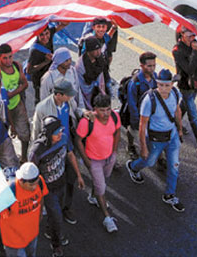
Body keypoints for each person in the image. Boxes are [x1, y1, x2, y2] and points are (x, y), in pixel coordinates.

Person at [125, 68, 186, 212]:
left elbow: (177, 111)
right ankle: (133, 167)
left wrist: (180, 129)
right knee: (149, 161)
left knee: (174, 165)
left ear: (172, 84)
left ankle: (170, 194)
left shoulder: (176, 94)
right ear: (157, 84)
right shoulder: (149, 100)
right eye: (161, 85)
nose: (164, 89)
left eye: (167, 85)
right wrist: (143, 147)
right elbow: (142, 124)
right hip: (155, 138)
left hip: (172, 136)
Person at [28, 116, 84, 256]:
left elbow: (70, 155)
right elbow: (31, 174)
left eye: (61, 130)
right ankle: (56, 245)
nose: (60, 134)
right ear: (48, 133)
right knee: (57, 217)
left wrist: (79, 175)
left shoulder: (64, 138)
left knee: (54, 215)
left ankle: (50, 229)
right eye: (56, 132)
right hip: (47, 190)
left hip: (61, 183)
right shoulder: (37, 150)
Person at [76, 94, 120, 233]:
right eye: (102, 110)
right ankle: (107, 218)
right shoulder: (86, 122)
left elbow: (117, 131)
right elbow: (78, 140)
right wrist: (87, 160)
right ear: (95, 109)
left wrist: (114, 152)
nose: (106, 113)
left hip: (109, 158)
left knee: (101, 181)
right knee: (101, 187)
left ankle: (93, 197)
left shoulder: (114, 116)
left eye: (108, 109)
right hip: (94, 160)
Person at [0, 162, 47, 257]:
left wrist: (40, 215)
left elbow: (41, 197)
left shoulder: (39, 181)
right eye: (31, 185)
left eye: (36, 184)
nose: (34, 187)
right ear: (21, 180)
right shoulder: (8, 192)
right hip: (14, 242)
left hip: (32, 234)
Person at [172, 26, 197, 161]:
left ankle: (175, 124)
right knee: (193, 117)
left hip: (196, 85)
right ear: (181, 36)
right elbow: (189, 69)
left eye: (194, 36)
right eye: (189, 36)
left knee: (183, 105)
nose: (192, 39)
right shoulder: (177, 50)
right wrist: (195, 52)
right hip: (186, 87)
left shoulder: (196, 44)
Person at [0, 43, 30, 163]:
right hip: (4, 110)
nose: (8, 60)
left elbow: (25, 84)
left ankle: (24, 158)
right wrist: (18, 90)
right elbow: (3, 97)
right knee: (3, 138)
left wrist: (13, 93)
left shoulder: (17, 66)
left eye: (10, 57)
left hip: (17, 104)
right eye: (5, 58)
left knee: (25, 135)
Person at [122, 52, 157, 159]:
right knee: (133, 132)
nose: (152, 68)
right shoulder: (135, 83)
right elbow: (132, 104)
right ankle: (131, 145)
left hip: (151, 114)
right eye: (149, 66)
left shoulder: (155, 77)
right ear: (142, 66)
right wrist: (136, 121)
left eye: (154, 65)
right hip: (139, 114)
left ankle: (159, 157)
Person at [39, 48, 83, 116]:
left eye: (70, 59)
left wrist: (82, 110)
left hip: (72, 111)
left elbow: (78, 91)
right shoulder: (48, 78)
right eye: (66, 61)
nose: (69, 62)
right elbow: (44, 99)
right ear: (59, 62)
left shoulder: (72, 71)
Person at [74, 36, 107, 111]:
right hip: (86, 92)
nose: (98, 52)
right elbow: (80, 86)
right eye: (95, 50)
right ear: (89, 51)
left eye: (99, 49)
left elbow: (101, 76)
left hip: (97, 88)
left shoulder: (99, 58)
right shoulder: (80, 66)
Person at [26, 25, 54, 108]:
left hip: (49, 78)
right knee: (41, 103)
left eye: (47, 33)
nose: (45, 37)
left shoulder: (50, 35)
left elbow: (64, 24)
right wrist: (45, 62)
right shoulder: (34, 50)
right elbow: (29, 70)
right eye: (41, 35)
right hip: (39, 81)